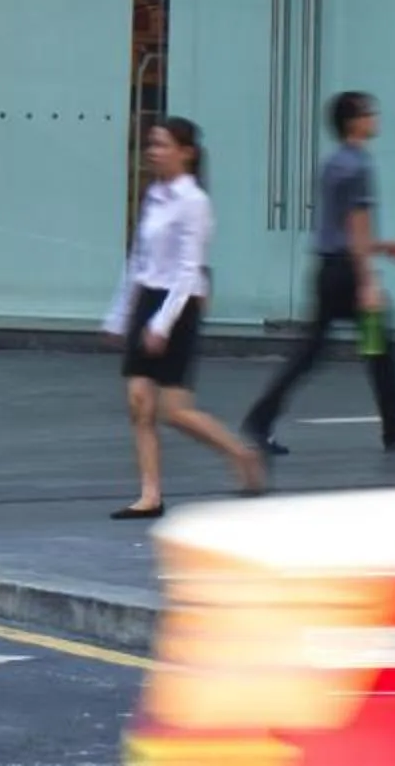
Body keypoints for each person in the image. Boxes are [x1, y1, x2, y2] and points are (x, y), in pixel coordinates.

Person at [244, 90, 395, 457]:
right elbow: (356, 223)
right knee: (379, 349)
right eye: (369, 112)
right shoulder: (359, 165)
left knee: (315, 352)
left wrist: (383, 247)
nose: (375, 117)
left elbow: (344, 229)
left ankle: (260, 420)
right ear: (353, 121)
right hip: (350, 276)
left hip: (328, 272)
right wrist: (368, 281)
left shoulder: (335, 163)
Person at [103, 117, 265, 519]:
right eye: (151, 144)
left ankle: (241, 454)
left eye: (162, 144)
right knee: (139, 402)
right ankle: (150, 493)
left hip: (179, 304)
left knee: (174, 411)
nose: (153, 151)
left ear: (185, 152)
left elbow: (189, 269)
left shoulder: (194, 201)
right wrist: (120, 313)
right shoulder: (154, 195)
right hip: (147, 296)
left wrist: (162, 323)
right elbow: (138, 258)